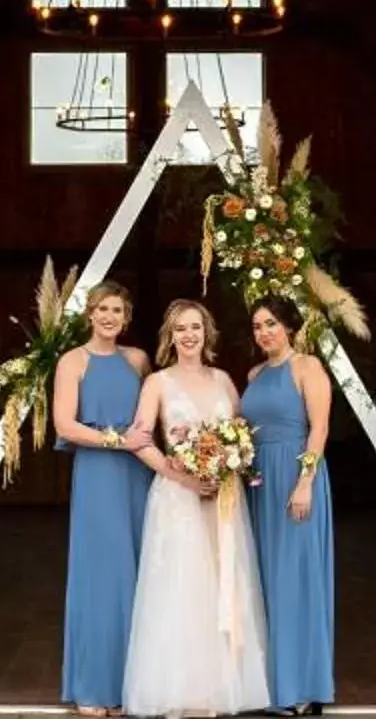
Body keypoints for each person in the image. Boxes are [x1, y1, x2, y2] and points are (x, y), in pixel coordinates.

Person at [118, 298, 271, 717]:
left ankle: (222, 687)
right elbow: (140, 439)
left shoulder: (223, 380)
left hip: (223, 499)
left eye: (196, 328)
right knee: (183, 589)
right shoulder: (158, 383)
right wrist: (183, 475)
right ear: (170, 336)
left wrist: (228, 464)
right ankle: (181, 690)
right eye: (181, 329)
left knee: (224, 581)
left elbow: (241, 434)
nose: (189, 335)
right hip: (178, 498)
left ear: (207, 333)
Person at [52, 282, 152, 716]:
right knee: (100, 577)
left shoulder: (138, 360)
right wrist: (116, 441)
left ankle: (133, 686)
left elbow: (153, 416)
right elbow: (66, 425)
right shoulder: (73, 361)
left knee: (139, 573)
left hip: (138, 475)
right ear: (89, 314)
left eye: (118, 310)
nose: (110, 316)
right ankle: (93, 687)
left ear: (126, 318)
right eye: (102, 309)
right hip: (98, 475)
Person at [243, 296, 334, 715]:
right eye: (258, 325)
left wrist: (305, 481)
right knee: (265, 580)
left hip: (296, 477)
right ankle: (270, 683)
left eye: (272, 324)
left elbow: (319, 429)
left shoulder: (307, 367)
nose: (264, 332)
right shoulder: (254, 373)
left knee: (296, 580)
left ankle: (302, 687)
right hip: (260, 481)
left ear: (290, 327)